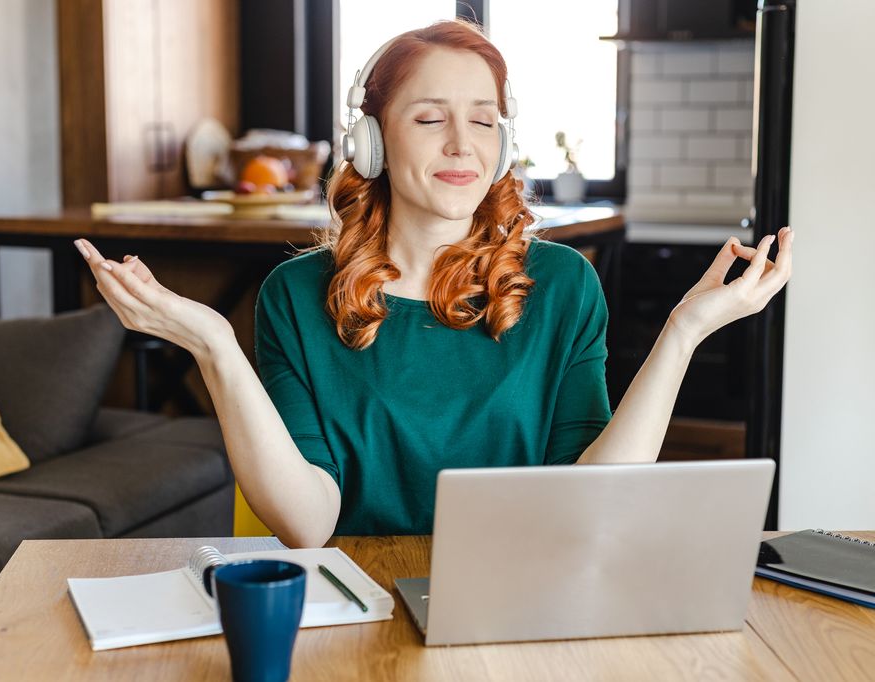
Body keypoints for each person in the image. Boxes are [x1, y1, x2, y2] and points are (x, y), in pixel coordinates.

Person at [73, 20, 793, 548]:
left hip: (523, 592)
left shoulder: (564, 285)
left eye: (483, 121)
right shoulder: (295, 296)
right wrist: (215, 348)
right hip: (361, 602)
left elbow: (593, 497)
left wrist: (684, 332)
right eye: (429, 118)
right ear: (373, 142)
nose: (462, 145)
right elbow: (308, 521)